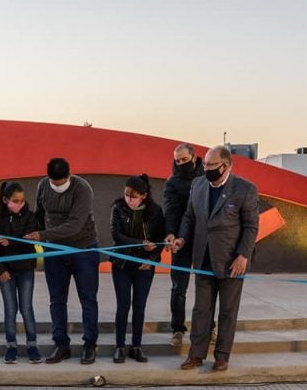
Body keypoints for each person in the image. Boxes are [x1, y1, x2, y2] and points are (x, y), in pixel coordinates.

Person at [172, 145, 258, 371]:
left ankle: (222, 356)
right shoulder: (198, 185)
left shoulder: (244, 189)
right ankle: (196, 355)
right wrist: (182, 238)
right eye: (205, 165)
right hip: (203, 259)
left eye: (212, 165)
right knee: (201, 310)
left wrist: (243, 255)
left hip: (231, 262)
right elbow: (189, 217)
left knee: (228, 311)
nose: (206, 169)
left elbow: (251, 226)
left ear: (226, 165)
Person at [24, 157, 99, 365]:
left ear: (69, 176)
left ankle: (89, 345)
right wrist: (30, 231)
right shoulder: (42, 186)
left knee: (88, 299)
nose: (57, 187)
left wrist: (44, 234)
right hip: (54, 251)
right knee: (57, 299)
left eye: (61, 183)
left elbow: (74, 225)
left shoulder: (82, 188)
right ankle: (61, 345)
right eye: (53, 183)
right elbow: (39, 215)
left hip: (84, 248)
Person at [109, 174, 165, 363]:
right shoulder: (117, 208)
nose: (129, 199)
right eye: (126, 195)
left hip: (144, 266)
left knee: (139, 306)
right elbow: (116, 235)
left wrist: (152, 258)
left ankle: (136, 346)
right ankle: (119, 346)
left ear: (144, 195)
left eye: (133, 196)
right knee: (122, 306)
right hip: (122, 265)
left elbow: (160, 241)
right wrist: (140, 243)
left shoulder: (156, 212)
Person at [0, 181, 43, 364]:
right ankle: (11, 346)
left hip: (26, 269)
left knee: (26, 308)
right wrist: (0, 270)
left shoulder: (29, 216)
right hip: (6, 272)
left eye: (22, 200)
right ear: (5, 200)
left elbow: (29, 241)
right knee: (10, 309)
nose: (20, 203)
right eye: (15, 200)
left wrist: (11, 242)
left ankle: (32, 345)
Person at [163, 143, 206, 348]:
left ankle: (209, 328)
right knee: (178, 287)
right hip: (181, 239)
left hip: (204, 240)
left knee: (205, 286)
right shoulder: (173, 181)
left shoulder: (207, 178)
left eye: (184, 160)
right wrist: (171, 234)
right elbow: (171, 209)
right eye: (177, 161)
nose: (180, 164)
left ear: (194, 158)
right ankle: (177, 329)